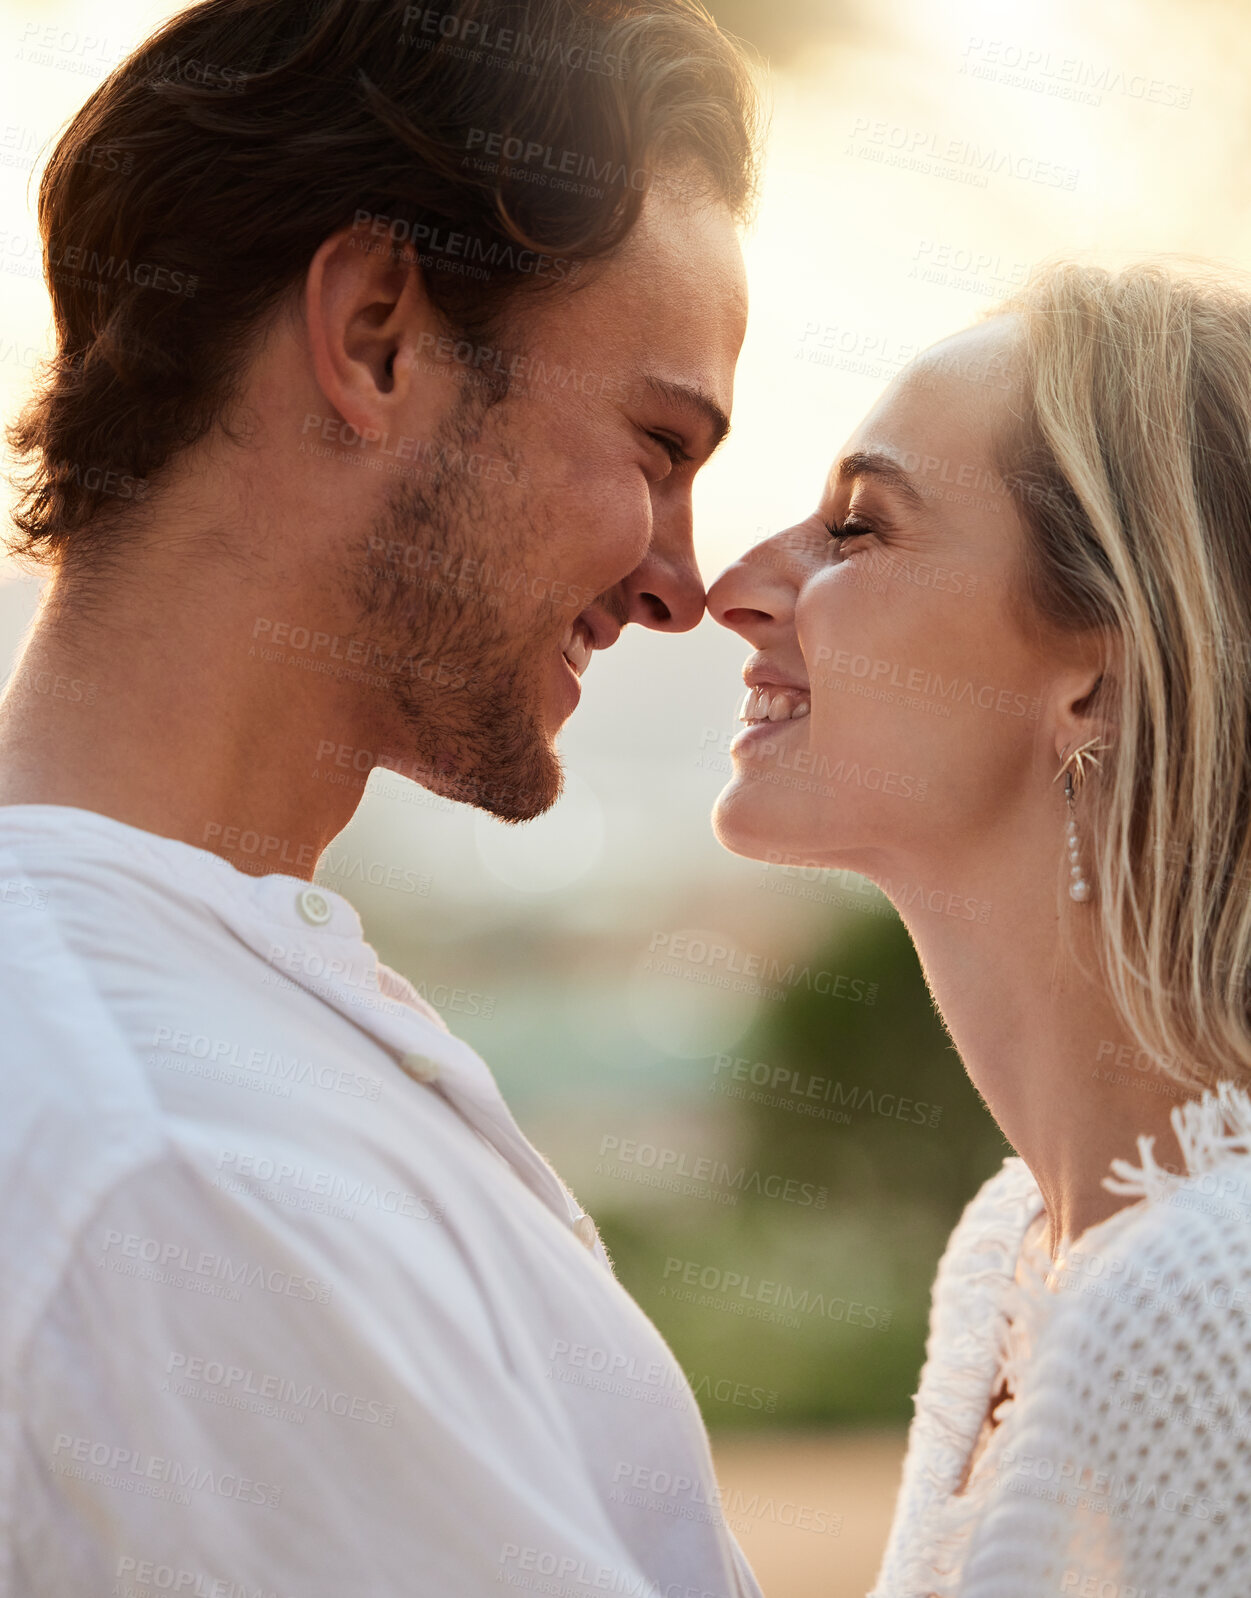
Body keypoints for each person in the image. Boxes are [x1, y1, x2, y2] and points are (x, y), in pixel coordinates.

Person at [0, 1, 765, 1593]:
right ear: (376, 338)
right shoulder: (177, 1154)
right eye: (656, 438)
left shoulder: (193, 1020)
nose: (682, 581)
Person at [707, 260, 1251, 1597]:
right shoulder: (1011, 1259)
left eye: (860, 528)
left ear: (1096, 668)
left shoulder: (1213, 1297)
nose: (735, 584)